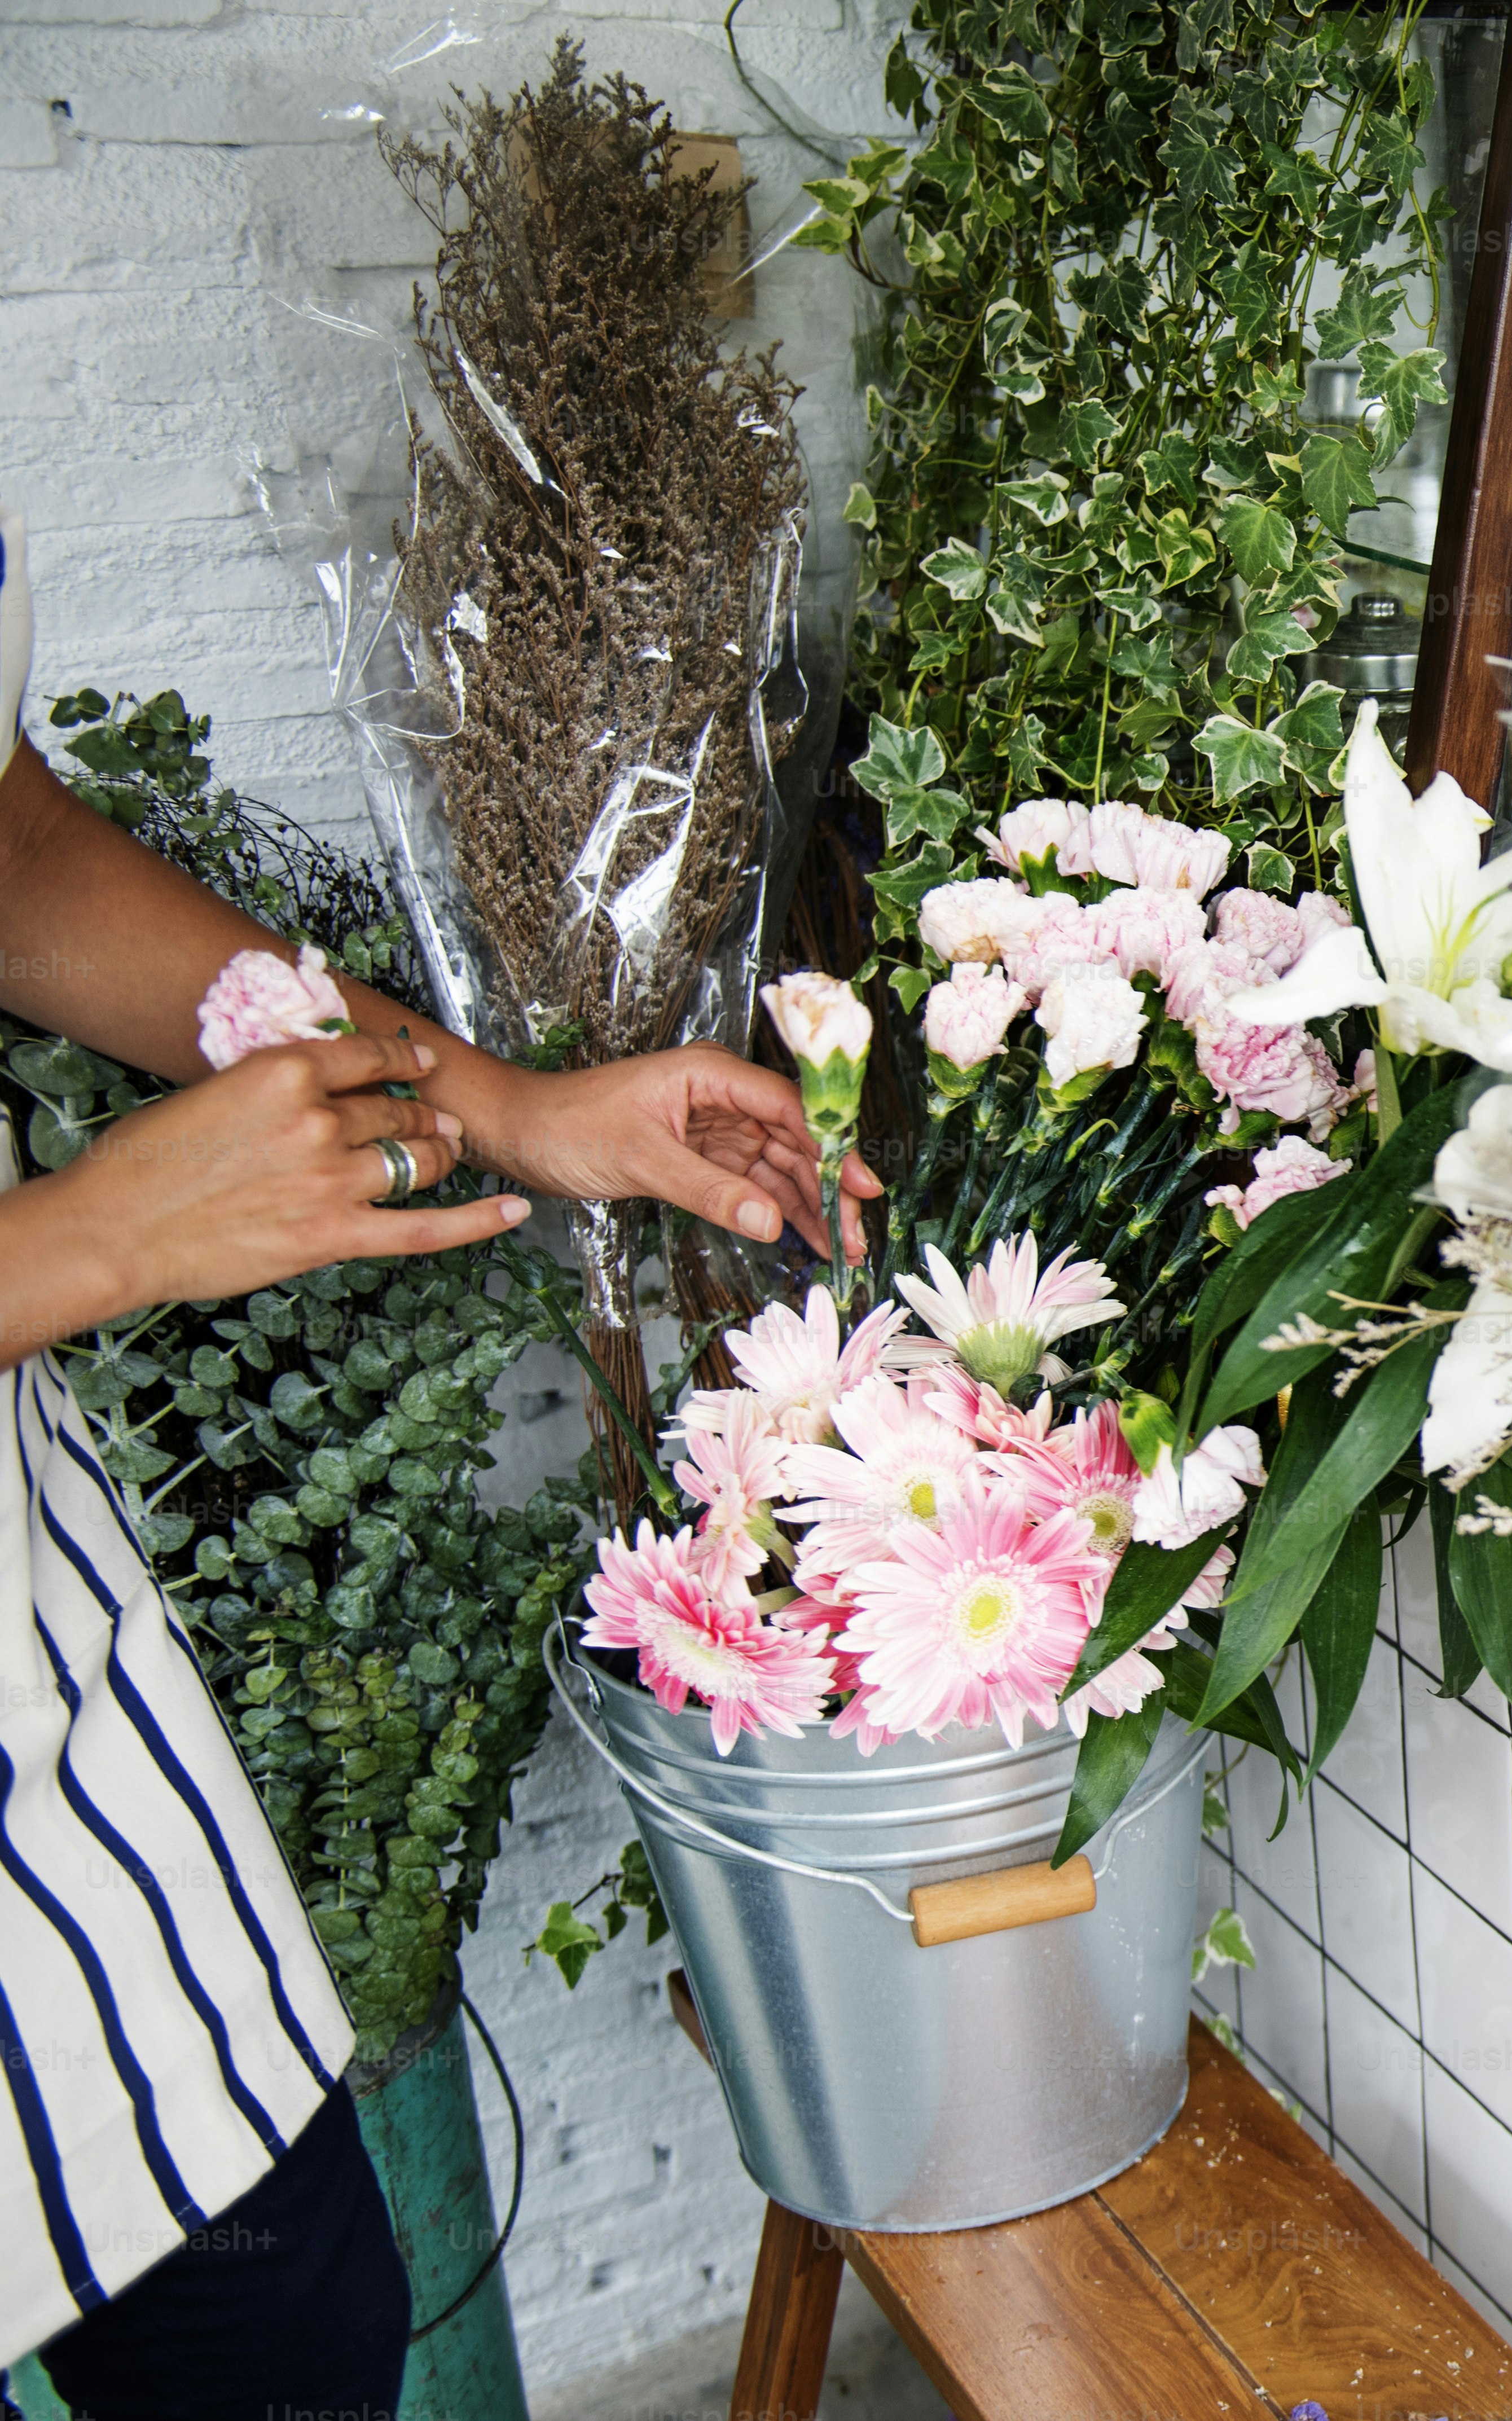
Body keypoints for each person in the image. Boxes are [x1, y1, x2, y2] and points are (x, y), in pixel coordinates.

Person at [0, 506, 874, 2416]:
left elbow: (12, 851)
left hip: (33, 1672)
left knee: (288, 2308)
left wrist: (493, 1101)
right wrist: (93, 1244)